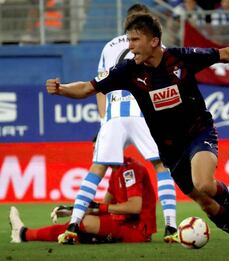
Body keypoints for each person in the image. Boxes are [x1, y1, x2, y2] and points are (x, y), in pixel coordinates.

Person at [46, 13, 229, 261]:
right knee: (206, 203)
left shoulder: (180, 58)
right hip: (170, 149)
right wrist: (62, 90)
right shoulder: (127, 70)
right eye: (129, 40)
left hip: (198, 132)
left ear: (154, 41)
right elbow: (88, 87)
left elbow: (223, 54)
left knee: (204, 183)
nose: (130, 46)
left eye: (135, 40)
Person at [62, 4, 178, 244]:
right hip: (142, 113)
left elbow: (98, 86)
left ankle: (73, 224)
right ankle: (171, 228)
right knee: (161, 167)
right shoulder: (156, 46)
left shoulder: (109, 46)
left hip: (114, 114)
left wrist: (104, 119)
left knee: (97, 170)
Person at [9, 156, 157, 244]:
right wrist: (74, 211)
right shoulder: (115, 171)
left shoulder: (129, 169)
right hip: (124, 223)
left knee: (85, 224)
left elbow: (134, 207)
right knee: (81, 221)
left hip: (137, 231)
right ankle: (24, 234)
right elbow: (103, 207)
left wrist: (94, 209)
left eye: (97, 149)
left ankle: (24, 234)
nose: (96, 155)